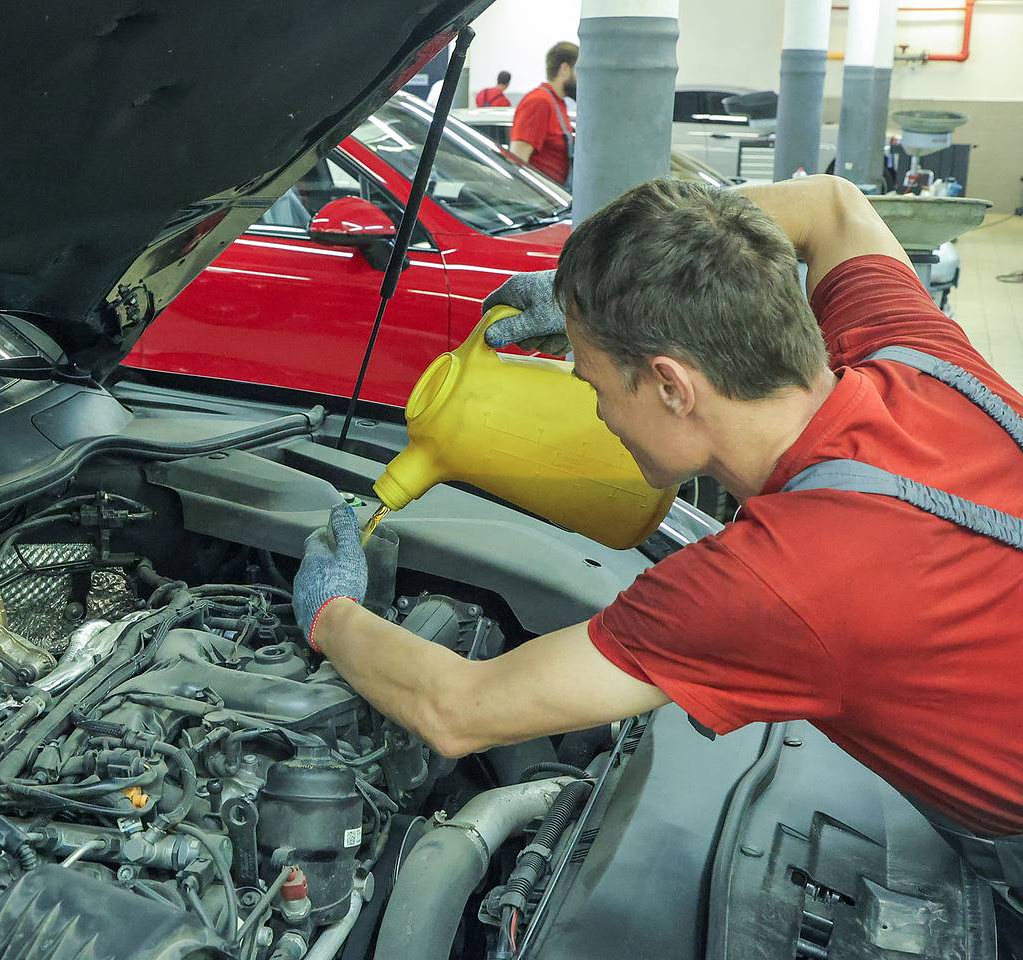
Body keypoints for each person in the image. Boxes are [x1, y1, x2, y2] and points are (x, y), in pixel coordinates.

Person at [292, 174, 1023, 944]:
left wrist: (332, 614)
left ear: (673, 385)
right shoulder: (917, 356)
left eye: (593, 379)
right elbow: (833, 205)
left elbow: (458, 709)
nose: (598, 409)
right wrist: (589, 286)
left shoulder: (776, 580)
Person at [509, 41, 576, 186]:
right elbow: (517, 161)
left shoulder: (558, 104)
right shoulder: (539, 102)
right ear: (564, 69)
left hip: (556, 197)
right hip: (538, 202)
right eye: (579, 72)